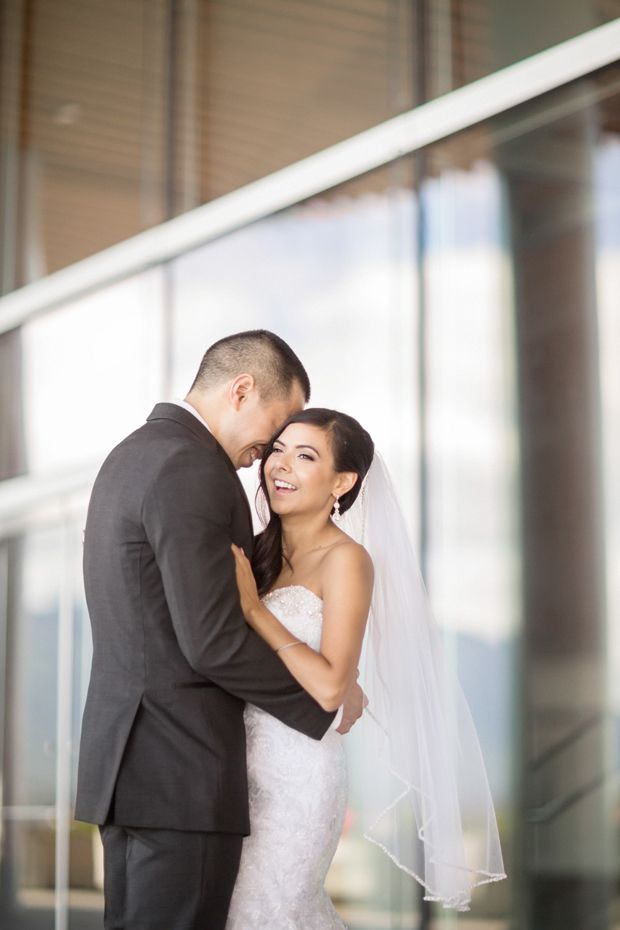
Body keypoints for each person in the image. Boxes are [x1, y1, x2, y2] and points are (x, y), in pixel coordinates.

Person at [75, 331, 364, 930]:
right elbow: (210, 639)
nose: (268, 456)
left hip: (131, 767)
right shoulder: (192, 467)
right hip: (183, 772)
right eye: (276, 429)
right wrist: (322, 705)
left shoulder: (132, 454)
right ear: (242, 389)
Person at [227, 407, 506, 928]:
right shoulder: (253, 547)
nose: (279, 466)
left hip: (299, 777)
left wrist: (255, 611)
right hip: (232, 769)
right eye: (277, 450)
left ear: (343, 481)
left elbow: (332, 685)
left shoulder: (347, 560)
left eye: (304, 456)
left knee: (270, 910)